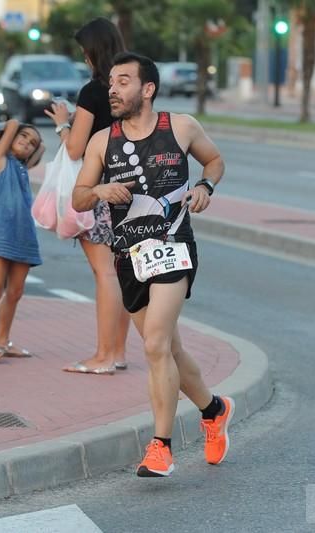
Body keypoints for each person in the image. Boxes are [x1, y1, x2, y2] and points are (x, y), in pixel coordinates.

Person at [73, 52, 234, 477]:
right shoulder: (100, 142)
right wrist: (101, 189)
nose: (112, 89)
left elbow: (214, 161)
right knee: (170, 350)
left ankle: (160, 446)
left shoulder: (179, 127)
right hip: (128, 256)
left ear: (147, 89)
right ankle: (214, 410)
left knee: (155, 344)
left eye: (123, 81)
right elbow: (78, 196)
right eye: (111, 82)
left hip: (174, 245)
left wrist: (204, 186)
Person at [45, 17, 131, 375]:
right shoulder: (131, 88)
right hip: (131, 189)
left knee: (104, 274)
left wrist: (62, 123)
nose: (84, 60)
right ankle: (120, 352)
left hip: (98, 193)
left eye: (85, 53)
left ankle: (103, 356)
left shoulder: (95, 91)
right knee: (123, 272)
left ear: (94, 51)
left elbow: (77, 148)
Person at [0, 119, 45, 363]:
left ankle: (3, 341)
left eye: (32, 143)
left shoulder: (23, 168)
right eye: (23, 137)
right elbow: (13, 124)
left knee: (15, 292)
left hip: (25, 235)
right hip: (2, 234)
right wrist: (9, 130)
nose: (27, 144)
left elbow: (41, 150)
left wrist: (36, 142)